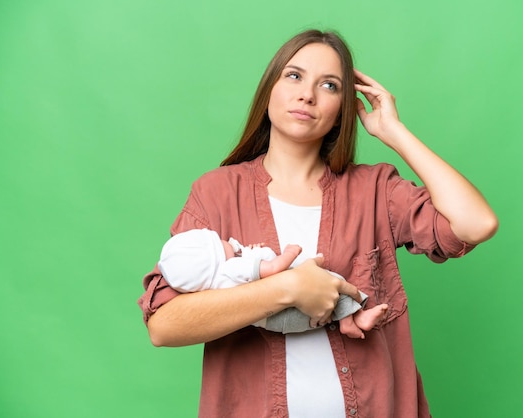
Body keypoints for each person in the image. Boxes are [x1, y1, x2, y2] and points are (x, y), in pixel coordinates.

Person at [138, 29, 498, 417]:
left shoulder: (375, 190)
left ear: (344, 107)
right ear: (269, 90)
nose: (307, 94)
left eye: (329, 85)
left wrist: (395, 133)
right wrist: (289, 288)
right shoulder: (217, 193)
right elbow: (164, 325)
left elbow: (475, 224)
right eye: (294, 76)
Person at [157, 228, 388, 338]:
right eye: (220, 242)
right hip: (285, 314)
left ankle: (351, 319)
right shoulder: (231, 268)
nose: (226, 239)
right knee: (332, 281)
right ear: (215, 257)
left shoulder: (216, 284)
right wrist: (289, 253)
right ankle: (353, 320)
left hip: (277, 323)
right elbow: (274, 268)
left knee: (323, 287)